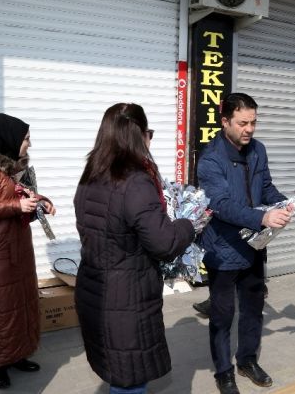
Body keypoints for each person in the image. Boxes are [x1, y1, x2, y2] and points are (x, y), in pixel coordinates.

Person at [74, 103, 195, 394]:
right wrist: (188, 225)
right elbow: (164, 243)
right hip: (126, 299)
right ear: (138, 135)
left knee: (117, 371)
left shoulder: (91, 175)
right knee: (129, 380)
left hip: (95, 289)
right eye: (148, 133)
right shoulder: (135, 181)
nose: (150, 140)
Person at [197, 93, 292, 394]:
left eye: (253, 122)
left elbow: (266, 187)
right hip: (222, 249)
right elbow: (220, 204)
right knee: (222, 315)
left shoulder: (258, 150)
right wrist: (262, 218)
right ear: (224, 121)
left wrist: (286, 203)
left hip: (254, 246)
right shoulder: (211, 159)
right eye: (242, 123)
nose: (249, 129)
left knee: (253, 309)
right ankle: (223, 372)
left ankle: (247, 360)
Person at [0, 113, 55, 389]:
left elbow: (23, 195)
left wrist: (41, 202)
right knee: (1, 307)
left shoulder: (14, 166)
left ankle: (18, 354)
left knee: (23, 302)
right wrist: (15, 207)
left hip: (20, 249)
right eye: (26, 138)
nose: (29, 144)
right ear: (8, 138)